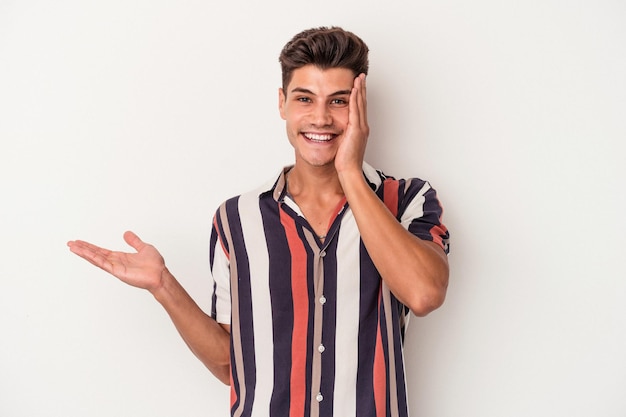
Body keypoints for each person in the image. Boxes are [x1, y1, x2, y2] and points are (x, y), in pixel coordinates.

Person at [68, 26, 450, 417]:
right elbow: (227, 363)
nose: (320, 118)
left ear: (360, 108)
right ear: (282, 103)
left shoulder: (407, 200)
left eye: (338, 101)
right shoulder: (236, 219)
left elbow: (424, 294)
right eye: (305, 98)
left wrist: (350, 172)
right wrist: (163, 286)